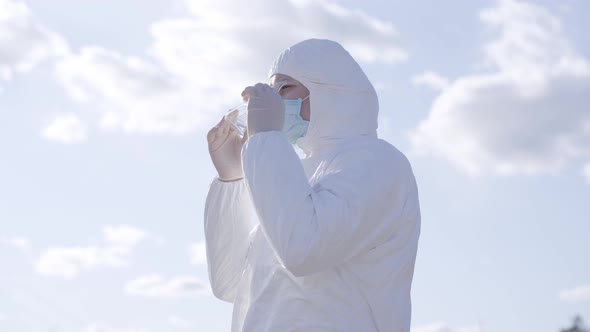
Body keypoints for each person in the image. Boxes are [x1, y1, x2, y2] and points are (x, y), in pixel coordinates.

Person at [205, 38, 421, 332]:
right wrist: (233, 179)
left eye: (285, 89)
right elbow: (230, 283)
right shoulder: (293, 175)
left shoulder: (378, 162)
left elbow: (302, 251)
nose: (274, 100)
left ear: (328, 91)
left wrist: (266, 140)